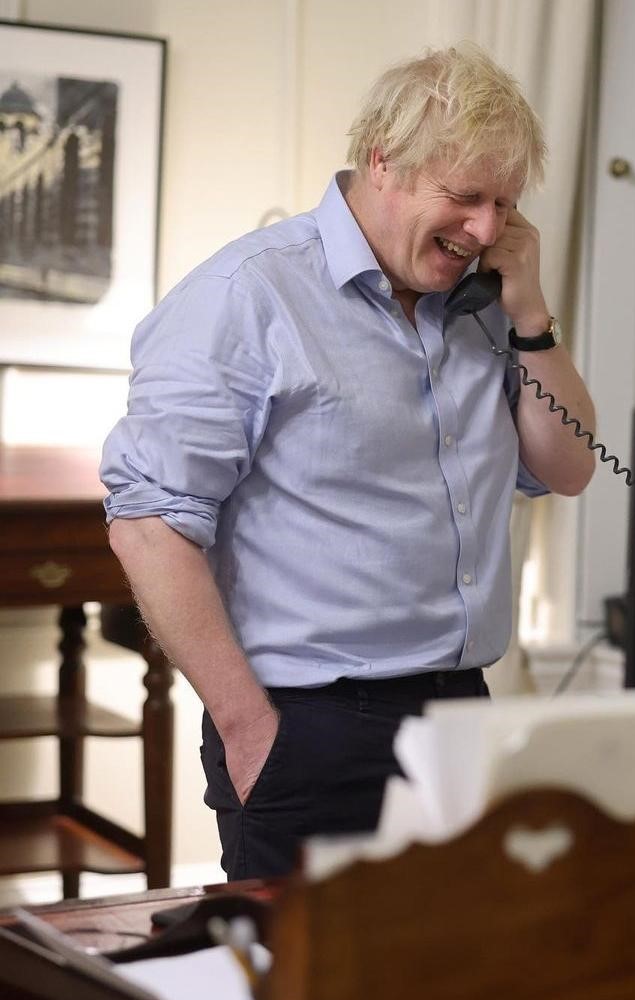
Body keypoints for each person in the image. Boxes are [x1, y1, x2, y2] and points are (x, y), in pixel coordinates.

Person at [100, 43, 596, 880]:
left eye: (505, 204)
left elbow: (568, 468)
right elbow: (148, 526)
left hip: (461, 717)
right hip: (307, 727)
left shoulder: (485, 305)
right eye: (464, 197)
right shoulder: (247, 295)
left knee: (456, 961)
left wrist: (531, 317)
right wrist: (248, 727)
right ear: (383, 160)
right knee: (307, 971)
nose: (485, 230)